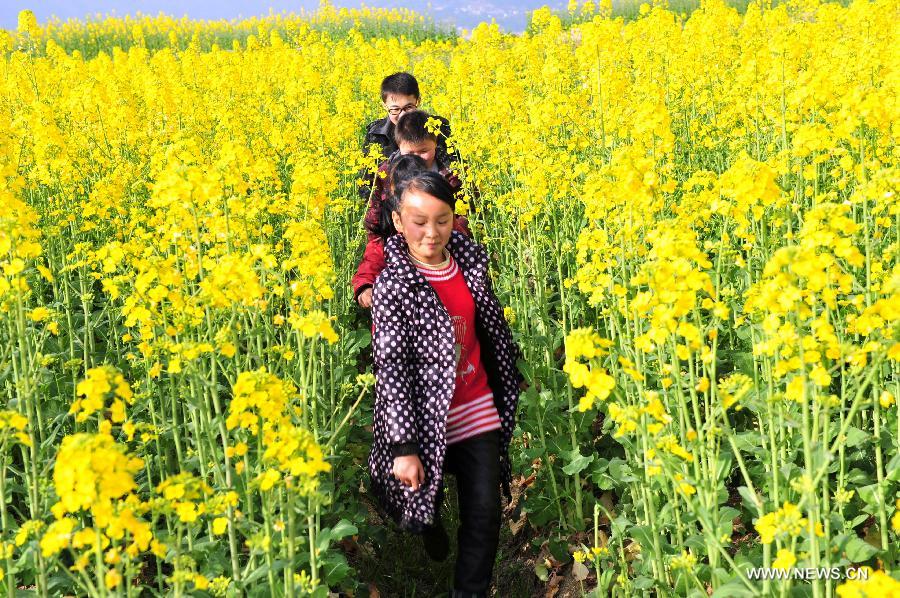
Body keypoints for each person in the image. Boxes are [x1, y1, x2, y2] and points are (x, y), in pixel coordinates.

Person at [366, 171, 523, 598]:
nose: (432, 233)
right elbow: (392, 369)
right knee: (424, 502)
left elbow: (488, 331)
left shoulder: (470, 263)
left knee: (485, 515)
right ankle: (428, 524)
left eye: (442, 220)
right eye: (419, 221)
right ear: (398, 221)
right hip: (423, 419)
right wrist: (404, 449)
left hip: (476, 407)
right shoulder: (393, 286)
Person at [353, 110, 470, 308]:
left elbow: (465, 227)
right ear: (399, 146)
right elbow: (377, 235)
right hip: (401, 275)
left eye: (424, 151)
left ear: (436, 144)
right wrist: (366, 282)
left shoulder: (453, 175)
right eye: (411, 152)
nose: (419, 158)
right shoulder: (385, 177)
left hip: (445, 267)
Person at [358, 72, 454, 201]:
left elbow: (454, 169)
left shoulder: (437, 127)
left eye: (409, 107)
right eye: (395, 109)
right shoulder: (376, 133)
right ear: (384, 106)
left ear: (418, 101)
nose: (403, 115)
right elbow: (367, 183)